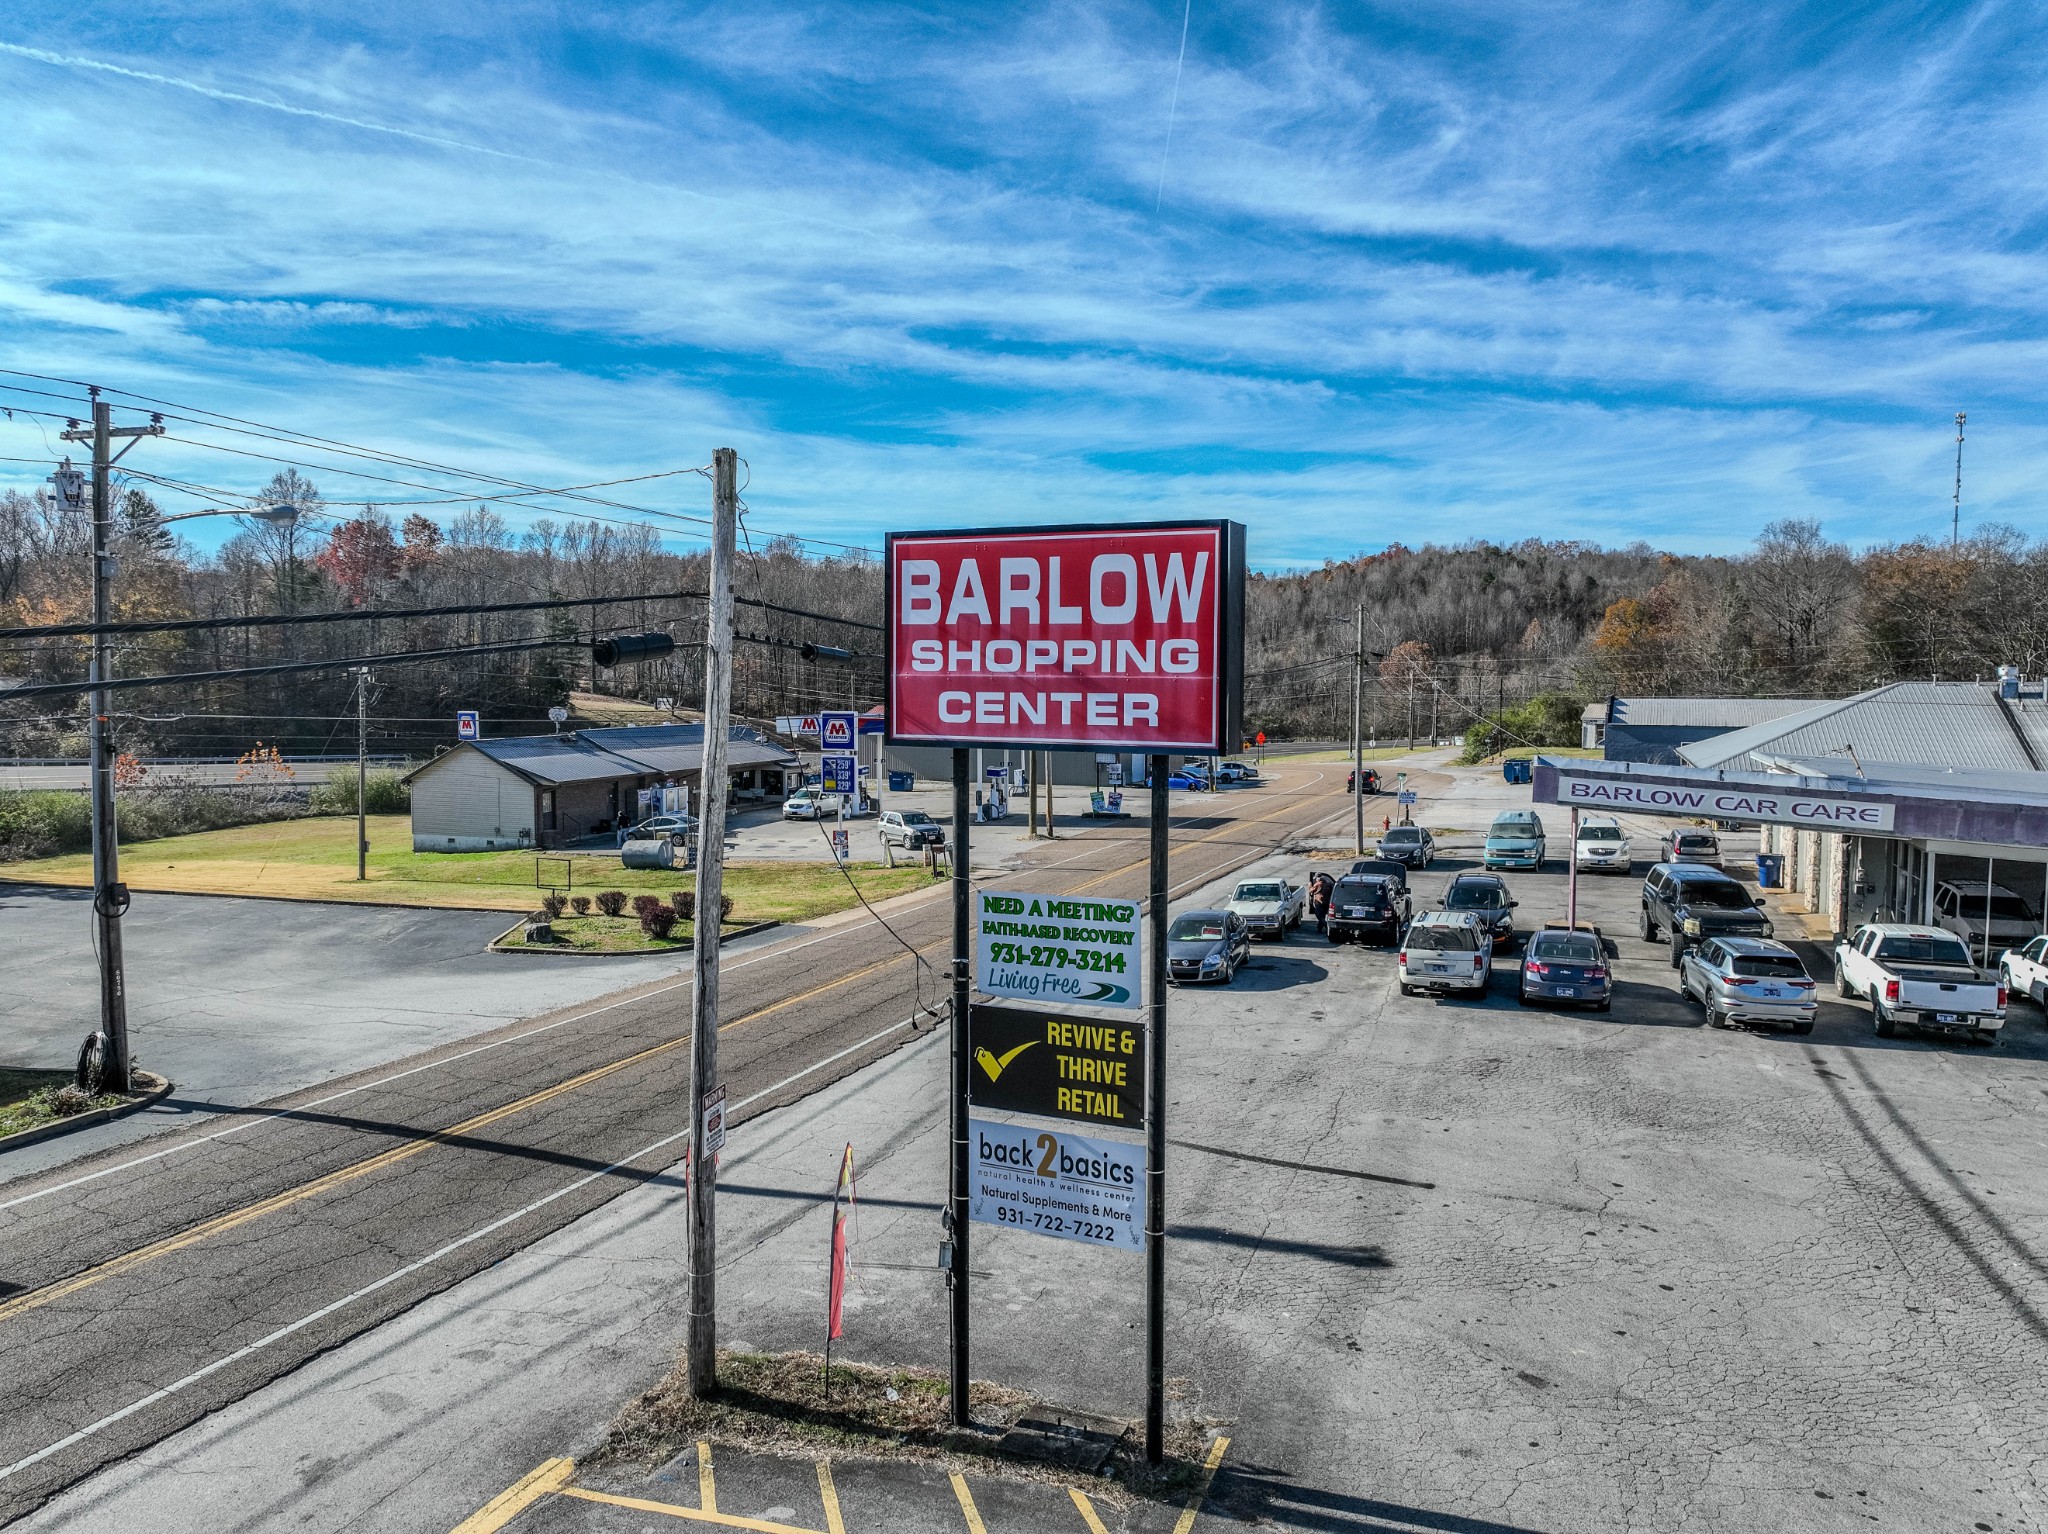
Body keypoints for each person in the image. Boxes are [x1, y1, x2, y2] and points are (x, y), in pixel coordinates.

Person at [1309, 871, 1334, 935]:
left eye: (1315, 879)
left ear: (1317, 878)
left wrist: (1310, 885)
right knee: (1322, 915)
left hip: (1319, 902)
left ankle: (1327, 926)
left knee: (1319, 915)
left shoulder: (1318, 884)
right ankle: (1319, 928)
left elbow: (1311, 891)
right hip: (1327, 902)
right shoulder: (1329, 884)